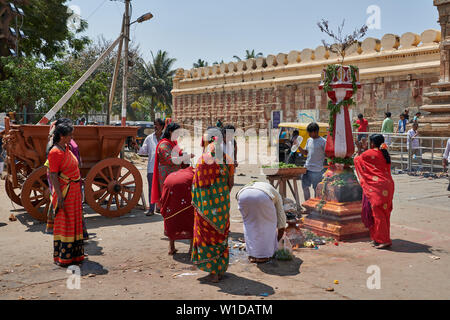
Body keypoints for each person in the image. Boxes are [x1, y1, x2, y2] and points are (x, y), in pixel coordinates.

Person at [191, 127, 235, 283]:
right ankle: (220, 270)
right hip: (222, 207)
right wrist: (219, 199)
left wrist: (206, 202)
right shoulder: (228, 160)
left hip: (205, 210)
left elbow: (196, 186)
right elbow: (230, 184)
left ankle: (213, 273)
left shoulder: (201, 161)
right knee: (220, 237)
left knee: (207, 237)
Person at [48, 122, 85, 266]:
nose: (72, 137)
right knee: (66, 223)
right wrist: (60, 196)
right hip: (65, 192)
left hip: (74, 191)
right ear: (62, 136)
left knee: (75, 222)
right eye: (70, 135)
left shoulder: (67, 148)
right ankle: (64, 257)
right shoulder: (55, 152)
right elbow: (53, 175)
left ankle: (75, 256)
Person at [354, 134, 395, 249]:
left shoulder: (369, 153)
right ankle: (378, 238)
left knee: (378, 214)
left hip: (377, 187)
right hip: (387, 186)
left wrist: (360, 149)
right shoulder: (385, 153)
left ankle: (384, 240)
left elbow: (357, 160)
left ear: (372, 143)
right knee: (384, 213)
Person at [236, 181, 286, 263]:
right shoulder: (278, 196)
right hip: (262, 196)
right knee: (269, 224)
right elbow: (281, 220)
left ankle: (252, 254)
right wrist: (276, 241)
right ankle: (263, 256)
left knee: (249, 224)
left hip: (242, 195)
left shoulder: (267, 188)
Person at [150, 122, 192, 209]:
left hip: (175, 174)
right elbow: (170, 160)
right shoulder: (164, 145)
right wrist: (185, 157)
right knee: (168, 198)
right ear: (170, 132)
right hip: (167, 174)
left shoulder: (173, 143)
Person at [160, 167, 195, 255]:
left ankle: (171, 247)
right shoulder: (194, 176)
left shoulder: (179, 173)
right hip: (184, 188)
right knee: (191, 216)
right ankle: (192, 249)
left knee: (172, 217)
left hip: (169, 183)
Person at [136, 118, 164, 216]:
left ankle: (160, 208)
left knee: (162, 189)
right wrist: (137, 147)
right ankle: (151, 209)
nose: (155, 127)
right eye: (154, 125)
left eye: (157, 125)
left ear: (162, 126)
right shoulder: (149, 138)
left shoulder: (165, 138)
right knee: (152, 189)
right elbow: (144, 151)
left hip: (163, 168)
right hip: (152, 168)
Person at [297, 123, 326, 201]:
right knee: (305, 187)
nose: (309, 134)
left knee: (316, 189)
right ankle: (308, 205)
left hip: (317, 170)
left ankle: (315, 206)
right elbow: (305, 153)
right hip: (306, 168)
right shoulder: (309, 140)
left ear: (316, 131)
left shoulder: (323, 142)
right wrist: (298, 146)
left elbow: (327, 155)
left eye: (310, 132)